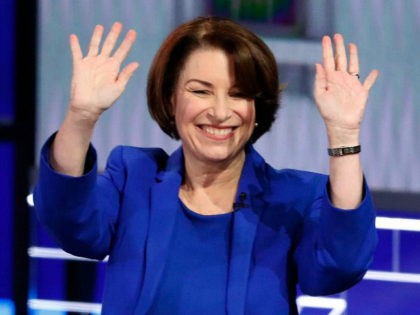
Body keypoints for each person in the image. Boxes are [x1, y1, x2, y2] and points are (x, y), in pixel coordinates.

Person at [34, 16, 379, 314]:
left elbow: (340, 267)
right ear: (171, 99)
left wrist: (344, 132)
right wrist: (81, 116)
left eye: (238, 94)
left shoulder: (292, 199)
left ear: (257, 108)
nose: (219, 111)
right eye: (201, 91)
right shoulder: (133, 176)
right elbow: (69, 223)